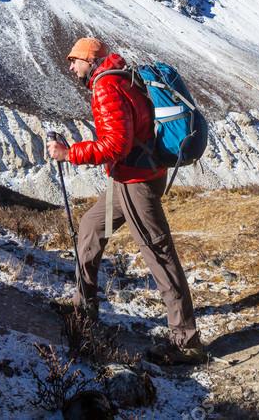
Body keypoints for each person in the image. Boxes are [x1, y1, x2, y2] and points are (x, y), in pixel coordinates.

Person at [46, 36, 205, 365]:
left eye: (74, 59)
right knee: (90, 228)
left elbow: (115, 145)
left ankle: (186, 341)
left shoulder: (105, 88)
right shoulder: (121, 76)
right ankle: (84, 308)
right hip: (135, 175)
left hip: (136, 181)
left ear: (89, 60)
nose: (70, 66)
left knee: (158, 254)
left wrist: (68, 153)